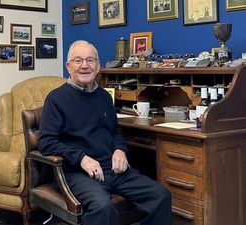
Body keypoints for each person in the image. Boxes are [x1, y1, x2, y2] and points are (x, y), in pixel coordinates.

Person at [38, 40, 172, 225]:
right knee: (102, 207)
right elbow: (46, 142)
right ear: (68, 67)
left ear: (98, 66)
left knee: (160, 195)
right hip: (76, 172)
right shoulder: (56, 99)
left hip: (111, 169)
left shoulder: (104, 96)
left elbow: (115, 132)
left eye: (90, 60)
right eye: (78, 61)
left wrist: (120, 150)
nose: (85, 65)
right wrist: (81, 158)